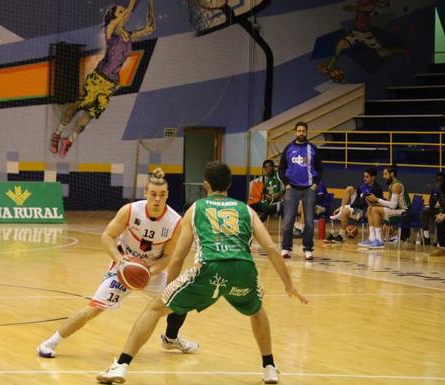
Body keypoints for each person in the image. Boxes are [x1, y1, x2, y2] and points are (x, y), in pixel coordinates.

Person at [96, 161, 308, 385]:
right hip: (243, 268)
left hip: (210, 267)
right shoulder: (246, 209)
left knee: (155, 308)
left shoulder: (196, 208)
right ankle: (269, 368)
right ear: (230, 184)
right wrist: (289, 284)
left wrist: (169, 288)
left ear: (206, 185)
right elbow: (272, 249)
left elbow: (178, 256)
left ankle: (120, 366)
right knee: (257, 311)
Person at [37, 168, 198, 358]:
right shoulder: (130, 211)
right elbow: (107, 236)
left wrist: (149, 272)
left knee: (180, 300)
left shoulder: (175, 222)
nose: (157, 199)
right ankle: (50, 342)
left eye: (162, 195)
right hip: (123, 269)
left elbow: (168, 257)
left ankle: (171, 339)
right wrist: (120, 261)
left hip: (152, 271)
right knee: (94, 309)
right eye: (153, 194)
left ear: (167, 195)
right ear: (145, 193)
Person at [50, 0, 155, 158]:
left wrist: (151, 4)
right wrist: (131, 6)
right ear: (113, 18)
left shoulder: (129, 36)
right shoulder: (111, 31)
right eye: (120, 12)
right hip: (99, 78)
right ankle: (57, 134)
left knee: (89, 116)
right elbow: (129, 12)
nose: (124, 13)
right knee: (78, 106)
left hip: (110, 84)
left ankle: (69, 141)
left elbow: (151, 28)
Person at [278, 121, 322, 261]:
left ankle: (308, 249)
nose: (301, 133)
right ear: (295, 132)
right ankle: (286, 248)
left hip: (309, 189)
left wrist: (315, 184)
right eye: (299, 131)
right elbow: (281, 168)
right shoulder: (288, 148)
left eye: (303, 131)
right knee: (288, 220)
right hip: (292, 189)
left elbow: (320, 168)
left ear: (306, 132)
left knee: (309, 221)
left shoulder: (313, 148)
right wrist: (286, 184)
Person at [325, 167, 383, 243]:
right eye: (364, 176)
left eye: (367, 177)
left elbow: (371, 204)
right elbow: (357, 200)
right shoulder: (362, 186)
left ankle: (342, 214)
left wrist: (352, 209)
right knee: (349, 189)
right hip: (357, 207)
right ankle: (341, 234)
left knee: (346, 211)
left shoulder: (377, 188)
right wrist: (341, 207)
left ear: (373, 177)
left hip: (367, 210)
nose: (364, 178)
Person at [358, 165, 410, 249]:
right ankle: (372, 238)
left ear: (392, 174)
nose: (383, 177)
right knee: (369, 208)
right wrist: (374, 203)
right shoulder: (391, 185)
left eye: (385, 174)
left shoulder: (396, 185)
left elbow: (393, 205)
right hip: (396, 210)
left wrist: (376, 199)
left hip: (403, 212)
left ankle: (379, 240)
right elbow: (390, 204)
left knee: (375, 210)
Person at [421, 172, 445, 245]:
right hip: (437, 210)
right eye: (437, 181)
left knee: (441, 215)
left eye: (440, 180)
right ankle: (426, 238)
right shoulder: (435, 190)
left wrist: (440, 193)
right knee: (425, 211)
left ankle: (440, 240)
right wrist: (434, 194)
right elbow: (431, 204)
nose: (439, 182)